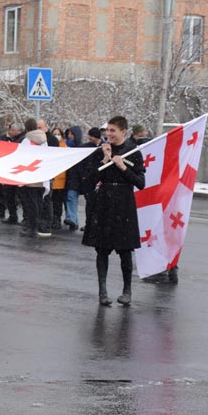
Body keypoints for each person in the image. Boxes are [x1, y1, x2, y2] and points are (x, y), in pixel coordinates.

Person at [83, 116, 146, 306]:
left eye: (113, 130)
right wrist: (105, 159)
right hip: (104, 202)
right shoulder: (100, 151)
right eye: (107, 130)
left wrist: (122, 166)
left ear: (123, 132)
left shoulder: (133, 153)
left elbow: (140, 183)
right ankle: (102, 291)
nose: (108, 134)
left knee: (125, 251)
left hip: (124, 202)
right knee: (102, 250)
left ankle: (127, 291)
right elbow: (90, 180)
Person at [20, 119, 53, 238]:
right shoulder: (44, 140)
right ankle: (36, 225)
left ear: (27, 128)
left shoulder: (27, 141)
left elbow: (22, 157)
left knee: (31, 204)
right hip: (40, 174)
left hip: (30, 175)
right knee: (38, 202)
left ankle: (32, 227)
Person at [0, 122, 23, 223]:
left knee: (15, 195)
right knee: (8, 194)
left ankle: (16, 216)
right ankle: (12, 215)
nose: (10, 132)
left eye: (12, 130)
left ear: (18, 131)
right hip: (8, 170)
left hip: (16, 171)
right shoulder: (6, 139)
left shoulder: (21, 140)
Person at [62, 125, 84, 231]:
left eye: (71, 134)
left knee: (71, 197)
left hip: (75, 177)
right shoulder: (66, 147)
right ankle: (73, 220)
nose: (69, 136)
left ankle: (71, 218)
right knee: (69, 198)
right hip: (68, 177)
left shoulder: (81, 148)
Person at [50, 127, 67, 230]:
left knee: (57, 202)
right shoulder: (50, 146)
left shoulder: (64, 147)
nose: (56, 136)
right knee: (50, 202)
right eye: (55, 134)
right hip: (51, 179)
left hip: (61, 179)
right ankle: (51, 219)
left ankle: (57, 220)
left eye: (58, 134)